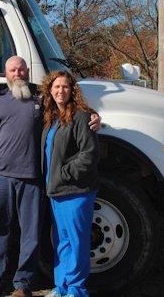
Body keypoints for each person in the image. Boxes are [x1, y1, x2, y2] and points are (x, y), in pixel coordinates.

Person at [0, 57, 99, 297]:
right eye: (13, 70)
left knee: (31, 234)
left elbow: (71, 109)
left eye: (22, 69)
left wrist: (95, 117)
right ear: (6, 73)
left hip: (34, 178)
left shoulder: (42, 98)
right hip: (1, 178)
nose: (18, 73)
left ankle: (23, 285)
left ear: (28, 71)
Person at [40, 71, 99, 297]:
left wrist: (65, 173)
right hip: (56, 191)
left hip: (76, 191)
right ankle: (61, 287)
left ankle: (76, 290)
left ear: (72, 90)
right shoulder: (52, 117)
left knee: (76, 242)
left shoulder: (82, 117)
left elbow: (89, 154)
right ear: (50, 90)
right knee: (62, 242)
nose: (60, 91)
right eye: (56, 87)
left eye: (65, 87)